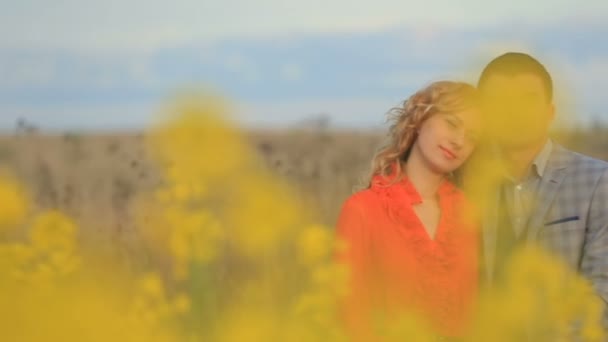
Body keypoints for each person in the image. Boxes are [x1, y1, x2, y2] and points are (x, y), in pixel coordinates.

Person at [334, 81, 482, 340]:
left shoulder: (470, 217)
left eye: (471, 137)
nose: (459, 141)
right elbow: (348, 318)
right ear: (421, 118)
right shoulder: (361, 211)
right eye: (451, 123)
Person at [476, 52, 608, 329]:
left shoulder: (598, 181)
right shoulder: (466, 185)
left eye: (527, 100)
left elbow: (603, 287)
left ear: (550, 112)